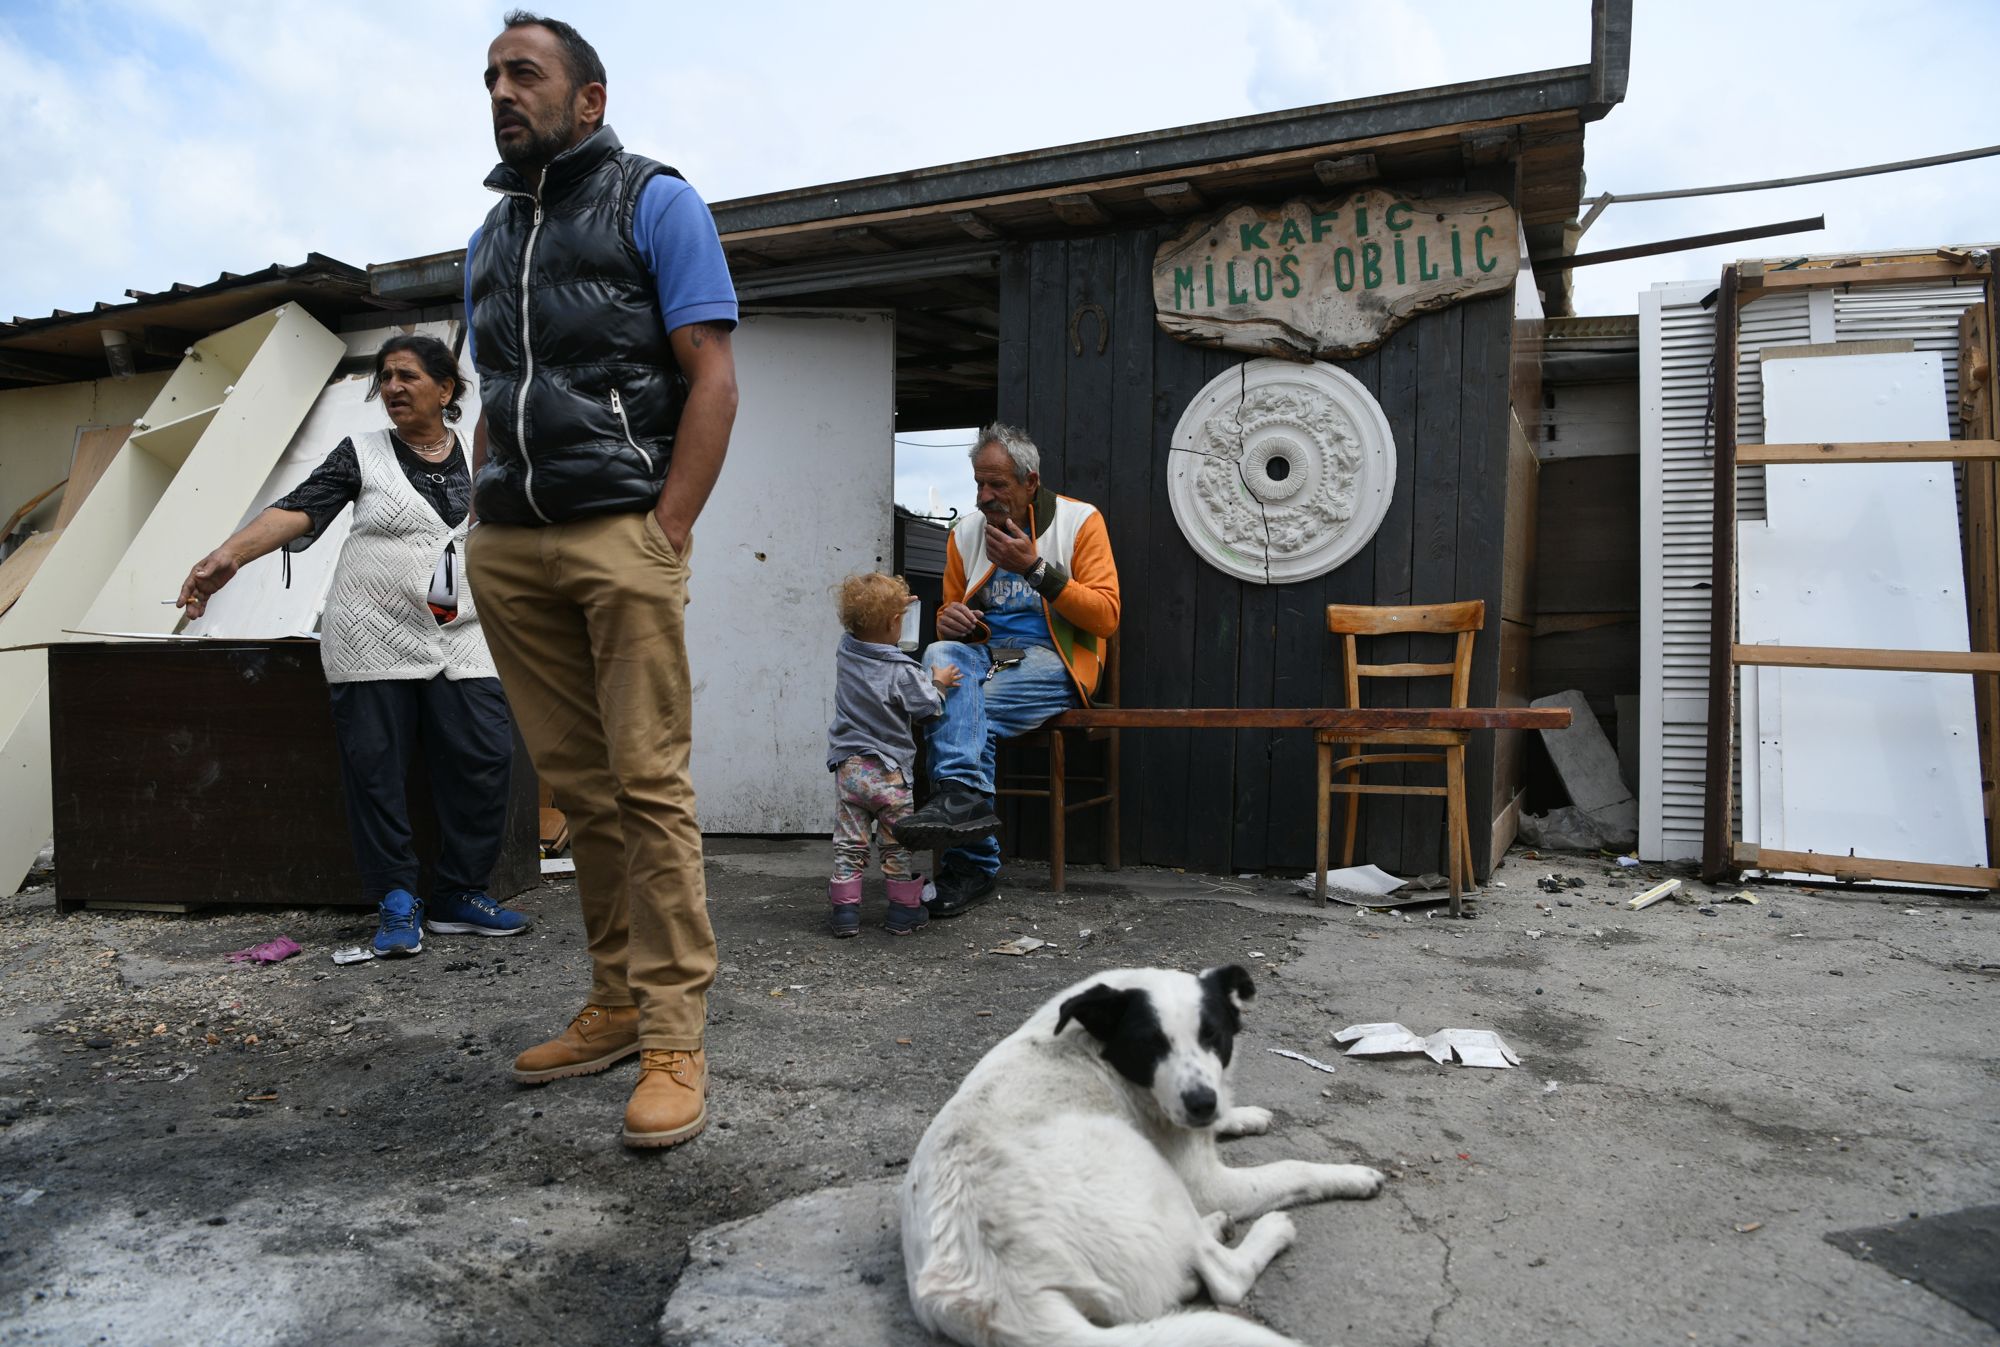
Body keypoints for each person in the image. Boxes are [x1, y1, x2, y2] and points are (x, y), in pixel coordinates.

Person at [461, 11, 738, 1150]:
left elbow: (712, 375)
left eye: (523, 73)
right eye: (490, 76)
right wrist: (476, 512)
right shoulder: (488, 237)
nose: (500, 91)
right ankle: (617, 1004)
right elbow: (498, 391)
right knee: (583, 793)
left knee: (650, 785)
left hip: (621, 530)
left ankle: (673, 1033)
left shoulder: (654, 200)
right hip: (511, 543)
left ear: (589, 98)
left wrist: (667, 529)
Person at [176, 335, 527, 957]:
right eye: (385, 377)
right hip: (371, 636)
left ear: (446, 388)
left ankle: (458, 893)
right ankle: (397, 897)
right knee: (376, 771)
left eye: (407, 376)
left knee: (485, 758)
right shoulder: (362, 453)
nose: (392, 387)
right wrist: (228, 556)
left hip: (462, 635)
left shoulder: (484, 454)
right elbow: (300, 508)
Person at [891, 424, 1121, 917]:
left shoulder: (1080, 521)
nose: (984, 497)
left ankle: (968, 856)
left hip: (1055, 661)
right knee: (938, 655)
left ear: (1030, 481)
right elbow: (950, 615)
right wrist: (950, 620)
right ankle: (964, 807)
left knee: (956, 706)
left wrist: (1035, 569)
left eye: (997, 484)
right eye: (978, 484)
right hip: (988, 658)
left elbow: (1106, 616)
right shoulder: (965, 533)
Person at [826, 574, 961, 939]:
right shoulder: (903, 671)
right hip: (890, 776)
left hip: (850, 770)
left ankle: (845, 913)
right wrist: (940, 682)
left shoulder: (846, 650)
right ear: (894, 622)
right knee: (896, 843)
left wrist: (885, 609)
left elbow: (864, 627)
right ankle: (903, 911)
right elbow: (928, 708)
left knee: (850, 843)